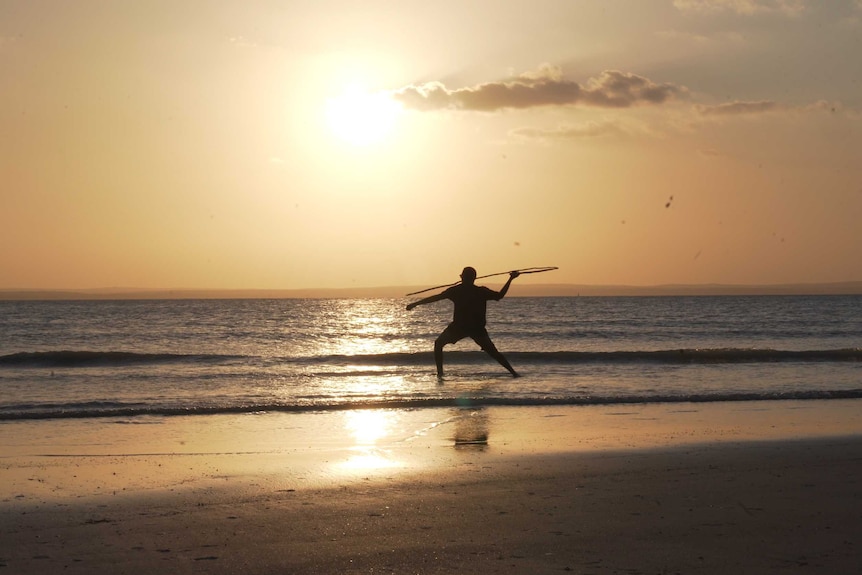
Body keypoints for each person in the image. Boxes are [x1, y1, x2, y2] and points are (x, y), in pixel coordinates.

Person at [406, 267, 520, 378]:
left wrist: (415, 304)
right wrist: (511, 279)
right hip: (476, 328)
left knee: (438, 344)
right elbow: (500, 296)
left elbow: (436, 298)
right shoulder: (481, 291)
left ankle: (440, 373)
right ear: (474, 278)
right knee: (494, 353)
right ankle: (513, 373)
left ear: (462, 277)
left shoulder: (456, 290)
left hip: (460, 327)